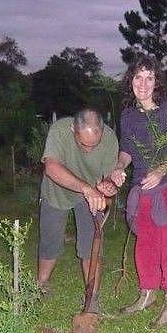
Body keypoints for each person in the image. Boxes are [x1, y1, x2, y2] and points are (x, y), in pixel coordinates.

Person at [108, 55, 167, 328]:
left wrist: (160, 171)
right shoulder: (127, 116)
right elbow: (126, 150)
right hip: (141, 187)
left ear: (157, 82)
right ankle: (147, 294)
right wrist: (118, 167)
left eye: (149, 78)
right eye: (138, 77)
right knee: (146, 243)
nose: (143, 83)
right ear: (131, 82)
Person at [37, 107, 119, 312]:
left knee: (91, 243)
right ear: (73, 129)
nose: (90, 150)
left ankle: (92, 298)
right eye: (84, 144)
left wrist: (108, 188)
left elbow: (109, 181)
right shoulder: (59, 130)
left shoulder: (109, 138)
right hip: (57, 191)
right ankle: (40, 285)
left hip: (90, 195)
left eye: (95, 145)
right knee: (50, 240)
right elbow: (51, 167)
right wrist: (86, 189)